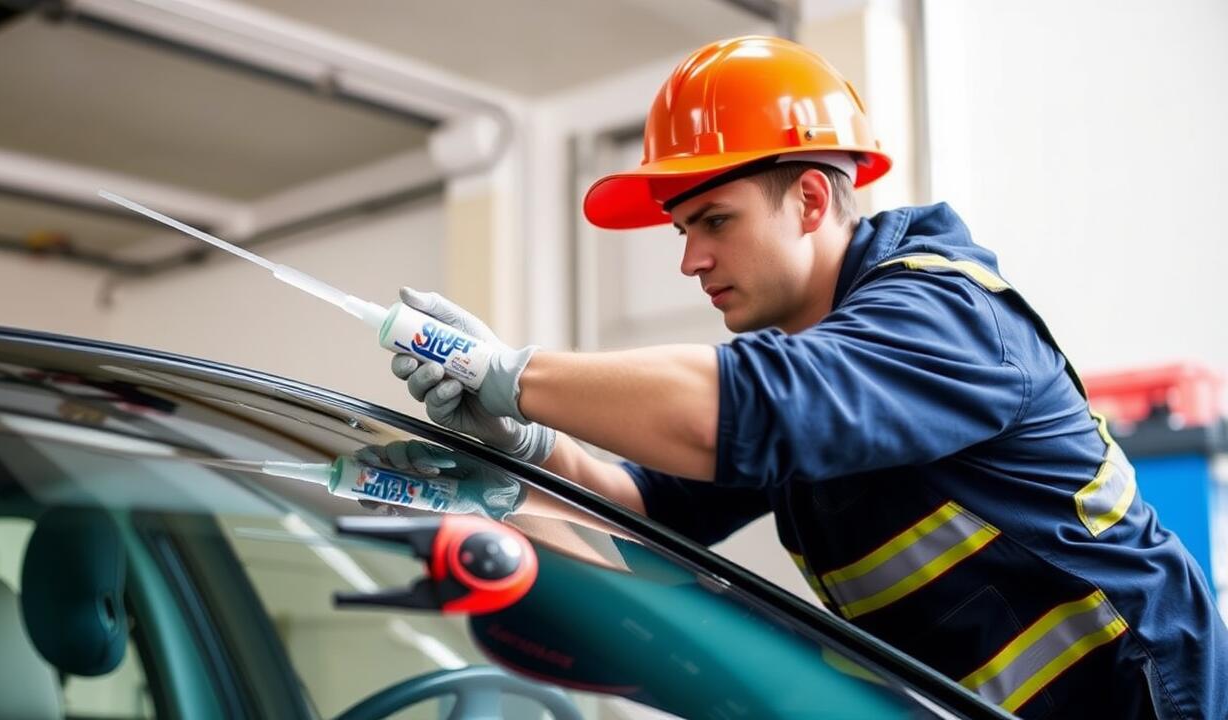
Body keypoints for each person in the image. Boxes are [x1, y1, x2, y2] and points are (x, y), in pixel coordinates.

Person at [387, 36, 1226, 718]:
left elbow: (739, 407)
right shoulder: (815, 367)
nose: (690, 259)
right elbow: (647, 506)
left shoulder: (942, 315)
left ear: (813, 201)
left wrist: (506, 372)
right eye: (682, 229)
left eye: (715, 221)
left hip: (1143, 699)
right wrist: (531, 444)